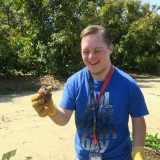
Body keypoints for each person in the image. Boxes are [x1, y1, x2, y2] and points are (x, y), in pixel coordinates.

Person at [31, 25, 149, 160]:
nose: (91, 57)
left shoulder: (128, 85)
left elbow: (138, 121)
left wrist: (138, 153)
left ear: (110, 48)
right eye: (85, 51)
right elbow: (63, 119)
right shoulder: (74, 82)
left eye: (97, 50)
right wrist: (51, 110)